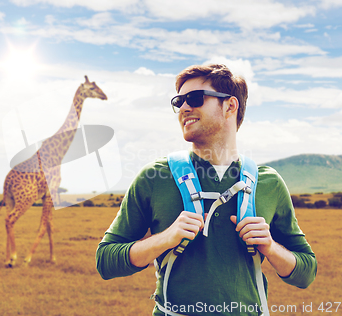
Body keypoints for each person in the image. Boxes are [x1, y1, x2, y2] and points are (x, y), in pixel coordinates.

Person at [96, 64, 317, 316]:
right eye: (178, 101)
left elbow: (306, 273)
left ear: (230, 106)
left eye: (195, 98)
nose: (184, 108)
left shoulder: (269, 183)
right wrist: (165, 238)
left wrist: (270, 247)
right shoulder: (155, 177)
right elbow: (105, 261)